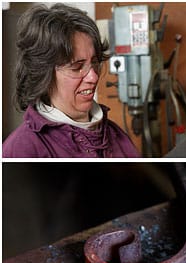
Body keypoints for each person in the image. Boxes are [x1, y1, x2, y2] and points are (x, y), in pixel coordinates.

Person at [3, 4, 140, 158]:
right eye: (77, 67)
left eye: (94, 62)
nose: (93, 77)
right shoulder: (21, 150)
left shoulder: (117, 136)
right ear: (44, 75)